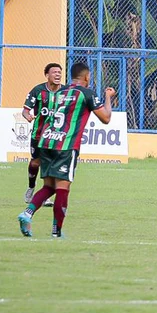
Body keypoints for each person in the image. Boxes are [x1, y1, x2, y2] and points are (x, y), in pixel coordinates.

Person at [18, 63, 114, 238]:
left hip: (46, 141)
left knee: (49, 186)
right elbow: (106, 118)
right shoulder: (86, 93)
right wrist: (108, 97)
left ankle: (27, 213)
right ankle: (57, 232)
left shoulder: (57, 93)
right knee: (62, 188)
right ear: (87, 77)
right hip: (66, 145)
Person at [21, 63, 62, 204]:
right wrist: (27, 116)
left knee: (51, 163)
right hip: (39, 134)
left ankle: (45, 195)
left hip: (57, 135)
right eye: (54, 72)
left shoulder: (66, 92)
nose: (58, 75)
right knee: (35, 162)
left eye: (59, 72)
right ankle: (31, 187)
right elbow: (25, 110)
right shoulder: (38, 91)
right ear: (47, 75)